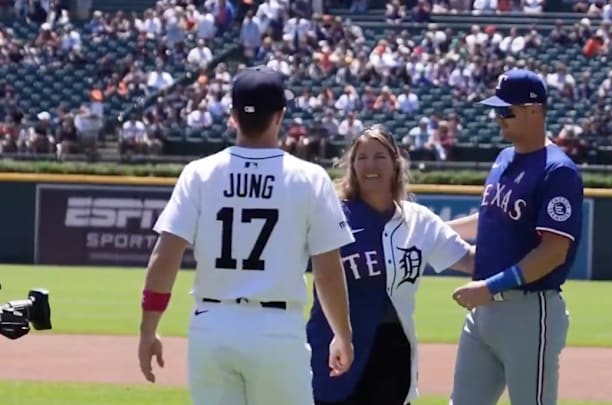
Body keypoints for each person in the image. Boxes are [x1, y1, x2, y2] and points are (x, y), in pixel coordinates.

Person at [137, 66, 356, 405]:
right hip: (276, 328)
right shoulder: (310, 178)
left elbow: (165, 256)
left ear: (233, 115)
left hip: (211, 324)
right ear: (280, 115)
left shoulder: (199, 173)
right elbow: (327, 270)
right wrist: (342, 333)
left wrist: (148, 328)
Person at [306, 124, 476, 405]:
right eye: (361, 157)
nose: (370, 165)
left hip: (392, 354)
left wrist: (517, 242)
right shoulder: (331, 214)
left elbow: (471, 260)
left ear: (396, 163)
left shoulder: (418, 220)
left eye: (379, 156)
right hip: (333, 348)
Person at [447, 68, 584, 405]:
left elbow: (553, 251)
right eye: (497, 110)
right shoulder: (505, 158)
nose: (499, 118)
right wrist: (436, 230)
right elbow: (490, 216)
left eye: (506, 111)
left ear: (534, 111)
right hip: (483, 313)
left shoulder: (558, 170)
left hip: (527, 310)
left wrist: (489, 286)